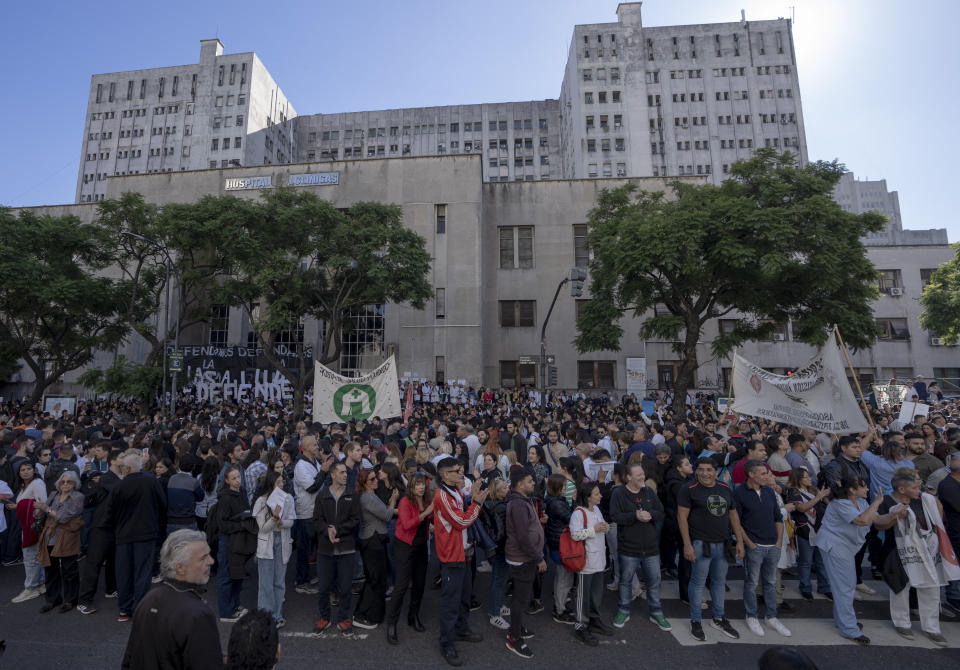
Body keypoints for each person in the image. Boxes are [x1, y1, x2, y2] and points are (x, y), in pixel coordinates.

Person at [121, 529, 223, 670]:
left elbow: (130, 657)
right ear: (180, 568)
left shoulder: (149, 599)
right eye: (203, 558)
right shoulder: (198, 615)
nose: (211, 561)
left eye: (209, 555)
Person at [873, 469, 953, 646]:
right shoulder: (887, 501)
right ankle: (902, 623)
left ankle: (932, 628)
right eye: (915, 487)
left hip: (928, 552)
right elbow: (878, 524)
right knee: (901, 588)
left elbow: (938, 521)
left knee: (931, 589)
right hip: (897, 552)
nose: (920, 490)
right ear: (902, 489)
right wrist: (895, 516)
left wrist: (934, 499)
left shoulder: (924, 500)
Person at [815, 477, 889, 645]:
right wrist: (877, 502)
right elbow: (862, 520)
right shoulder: (841, 504)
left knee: (845, 586)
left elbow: (876, 520)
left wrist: (896, 514)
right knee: (845, 588)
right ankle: (849, 629)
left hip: (845, 548)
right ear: (852, 490)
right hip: (835, 547)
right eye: (863, 487)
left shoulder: (862, 503)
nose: (867, 490)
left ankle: (843, 622)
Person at [678, 459, 745, 642]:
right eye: (701, 470)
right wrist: (687, 544)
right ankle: (696, 620)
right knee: (698, 582)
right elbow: (682, 518)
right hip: (700, 544)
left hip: (722, 543)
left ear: (716, 472)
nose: (704, 473)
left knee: (718, 582)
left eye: (709, 470)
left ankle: (718, 617)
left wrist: (739, 541)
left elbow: (733, 515)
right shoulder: (688, 489)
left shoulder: (725, 487)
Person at [433, 457, 488, 667]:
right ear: (445, 475)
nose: (460, 473)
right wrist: (476, 503)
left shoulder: (453, 491)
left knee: (464, 597)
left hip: (463, 552)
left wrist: (471, 494)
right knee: (450, 603)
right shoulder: (442, 496)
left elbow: (461, 506)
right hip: (452, 556)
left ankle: (461, 629)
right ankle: (447, 643)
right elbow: (462, 521)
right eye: (457, 471)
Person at [734, 460, 791, 638]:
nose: (767, 476)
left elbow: (777, 517)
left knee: (771, 582)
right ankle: (751, 616)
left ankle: (771, 617)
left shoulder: (768, 491)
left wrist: (779, 542)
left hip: (773, 544)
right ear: (751, 474)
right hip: (755, 545)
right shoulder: (739, 493)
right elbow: (736, 521)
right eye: (763, 473)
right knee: (751, 583)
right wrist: (748, 543)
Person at [610, 462, 670, 631]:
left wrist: (650, 515)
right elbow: (615, 516)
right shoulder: (619, 493)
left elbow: (661, 512)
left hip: (651, 547)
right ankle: (623, 610)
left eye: (643, 474)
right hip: (629, 547)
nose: (643, 477)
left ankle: (656, 612)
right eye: (639, 475)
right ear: (628, 477)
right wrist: (635, 515)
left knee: (654, 581)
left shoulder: (649, 492)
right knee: (625, 580)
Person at [108, 450, 167, 622]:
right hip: (146, 533)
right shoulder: (151, 482)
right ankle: (140, 607)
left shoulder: (119, 486)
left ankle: (124, 609)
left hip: (123, 535)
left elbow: (110, 512)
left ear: (126, 469)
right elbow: (162, 504)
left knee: (123, 572)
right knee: (143, 572)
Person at [313, 460, 362, 637]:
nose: (345, 475)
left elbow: (356, 520)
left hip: (346, 548)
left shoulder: (352, 495)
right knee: (324, 587)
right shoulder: (322, 495)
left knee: (346, 587)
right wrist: (327, 530)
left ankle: (343, 618)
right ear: (332, 475)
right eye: (341, 472)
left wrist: (338, 529)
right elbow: (316, 520)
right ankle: (324, 617)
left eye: (345, 473)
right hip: (325, 549)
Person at [385, 471, 433, 644]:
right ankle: (392, 624)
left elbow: (431, 519)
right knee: (401, 586)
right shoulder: (405, 501)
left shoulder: (426, 500)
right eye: (417, 484)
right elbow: (406, 524)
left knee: (420, 584)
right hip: (405, 546)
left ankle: (414, 616)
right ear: (411, 486)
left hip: (421, 546)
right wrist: (426, 512)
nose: (421, 487)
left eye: (423, 484)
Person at [504, 467, 545, 659]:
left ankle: (517, 627)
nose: (534, 483)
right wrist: (539, 558)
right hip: (523, 558)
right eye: (530, 481)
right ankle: (514, 638)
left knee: (521, 596)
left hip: (525, 557)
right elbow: (522, 536)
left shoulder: (521, 501)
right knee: (520, 600)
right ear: (520, 484)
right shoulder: (519, 504)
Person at [77, 448, 124, 615]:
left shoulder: (117, 478)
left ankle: (111, 589)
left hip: (115, 526)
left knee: (112, 560)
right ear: (113, 461)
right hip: (102, 527)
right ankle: (84, 600)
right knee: (94, 563)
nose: (125, 460)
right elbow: (122, 492)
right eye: (122, 457)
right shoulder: (107, 479)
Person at [569, 480, 613, 646]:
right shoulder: (578, 513)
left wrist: (605, 526)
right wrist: (595, 529)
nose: (600, 495)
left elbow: (602, 527)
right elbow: (575, 534)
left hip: (599, 560)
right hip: (585, 562)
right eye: (596, 493)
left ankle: (594, 620)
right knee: (583, 596)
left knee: (595, 594)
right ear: (587, 497)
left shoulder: (596, 509)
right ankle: (581, 626)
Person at [353, 467, 399, 629]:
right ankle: (364, 614)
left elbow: (384, 511)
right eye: (372, 479)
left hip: (375, 539)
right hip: (372, 541)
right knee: (374, 579)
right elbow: (386, 515)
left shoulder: (371, 495)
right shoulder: (367, 497)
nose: (376, 481)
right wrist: (393, 501)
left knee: (377, 579)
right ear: (365, 483)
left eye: (375, 478)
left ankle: (372, 614)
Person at [37, 470, 85, 613]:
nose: (65, 484)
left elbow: (63, 517)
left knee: (69, 569)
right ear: (58, 483)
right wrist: (39, 510)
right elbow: (44, 512)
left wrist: (46, 509)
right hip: (50, 536)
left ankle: (70, 599)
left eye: (68, 481)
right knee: (50, 569)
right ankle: (52, 599)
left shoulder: (78, 497)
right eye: (62, 481)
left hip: (67, 537)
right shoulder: (54, 494)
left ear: (74, 484)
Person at [253, 470, 294, 628]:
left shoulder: (288, 498)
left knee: (279, 582)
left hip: (282, 540)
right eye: (278, 482)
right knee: (265, 583)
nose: (281, 485)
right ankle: (265, 617)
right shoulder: (261, 502)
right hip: (267, 543)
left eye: (282, 482)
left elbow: (291, 520)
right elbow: (263, 528)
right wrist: (274, 518)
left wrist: (282, 522)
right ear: (270, 484)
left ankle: (277, 616)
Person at [783, 468, 831, 601]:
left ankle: (824, 587)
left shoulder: (814, 490)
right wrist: (819, 497)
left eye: (809, 476)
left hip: (820, 530)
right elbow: (802, 508)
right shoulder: (793, 492)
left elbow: (828, 504)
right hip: (804, 530)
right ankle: (805, 587)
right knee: (805, 562)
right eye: (806, 477)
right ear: (798, 479)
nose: (810, 479)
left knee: (821, 561)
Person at [293, 435, 332, 594]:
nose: (318, 447)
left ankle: (311, 576)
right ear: (307, 448)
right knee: (304, 549)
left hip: (317, 511)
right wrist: (323, 472)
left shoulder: (314, 461)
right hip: (306, 513)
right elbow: (312, 487)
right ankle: (301, 581)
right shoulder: (301, 466)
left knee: (317, 545)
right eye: (315, 445)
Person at [216, 465, 254, 623]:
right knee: (226, 574)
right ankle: (226, 611)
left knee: (238, 573)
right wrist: (242, 525)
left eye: (238, 477)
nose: (238, 481)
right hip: (229, 540)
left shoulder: (242, 491)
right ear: (226, 480)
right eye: (234, 478)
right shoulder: (225, 498)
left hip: (240, 539)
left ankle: (235, 604)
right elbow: (222, 525)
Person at [10, 460, 47, 603]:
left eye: (28, 468)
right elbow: (26, 502)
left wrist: (34, 516)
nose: (26, 471)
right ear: (19, 473)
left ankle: (31, 588)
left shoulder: (37, 483)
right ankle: (41, 583)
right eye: (22, 470)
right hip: (27, 525)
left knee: (30, 557)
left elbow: (41, 503)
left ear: (34, 470)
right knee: (34, 556)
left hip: (32, 526)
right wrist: (17, 506)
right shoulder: (24, 486)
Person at [544, 474, 575, 623]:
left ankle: (560, 605)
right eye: (564, 486)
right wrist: (575, 502)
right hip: (561, 544)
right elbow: (571, 519)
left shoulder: (553, 501)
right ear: (557, 488)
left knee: (562, 577)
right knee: (563, 578)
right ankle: (559, 609)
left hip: (556, 542)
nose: (566, 488)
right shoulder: (557, 504)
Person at [481, 478, 510, 630]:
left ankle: (498, 605)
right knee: (499, 580)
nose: (507, 490)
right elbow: (506, 530)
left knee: (499, 578)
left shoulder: (489, 503)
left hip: (494, 547)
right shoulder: (501, 508)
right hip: (501, 547)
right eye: (505, 488)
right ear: (498, 492)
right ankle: (494, 613)